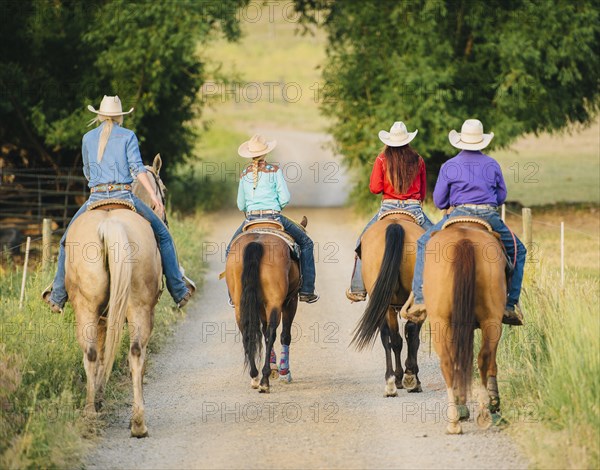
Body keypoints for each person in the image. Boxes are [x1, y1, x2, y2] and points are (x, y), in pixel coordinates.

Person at [42, 95, 195, 313]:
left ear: (100, 115)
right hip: (124, 195)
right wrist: (152, 195)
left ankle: (57, 295)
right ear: (120, 116)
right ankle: (178, 290)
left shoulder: (87, 138)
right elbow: (137, 169)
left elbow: (87, 171)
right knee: (163, 235)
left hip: (95, 197)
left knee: (66, 241)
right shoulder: (128, 136)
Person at [402, 119, 526, 326]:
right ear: (481, 142)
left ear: (460, 141)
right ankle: (510, 304)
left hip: (458, 213)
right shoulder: (492, 164)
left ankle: (420, 299)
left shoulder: (449, 165)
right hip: (488, 215)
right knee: (519, 250)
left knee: (423, 243)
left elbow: (440, 200)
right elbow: (501, 196)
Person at [346, 121, 433, 302]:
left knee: (361, 242)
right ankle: (435, 288)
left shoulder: (381, 159)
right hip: (413, 209)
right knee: (437, 243)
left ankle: (358, 288)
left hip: (387, 208)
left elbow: (375, 188)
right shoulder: (417, 159)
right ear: (407, 140)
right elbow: (423, 191)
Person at [226, 134, 319, 304]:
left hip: (251, 220)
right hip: (274, 217)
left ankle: (233, 295)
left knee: (229, 250)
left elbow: (241, 204)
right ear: (265, 153)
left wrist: (252, 209)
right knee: (306, 243)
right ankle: (307, 289)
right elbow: (285, 197)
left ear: (249, 155)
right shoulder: (275, 171)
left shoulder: (244, 174)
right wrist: (274, 206)